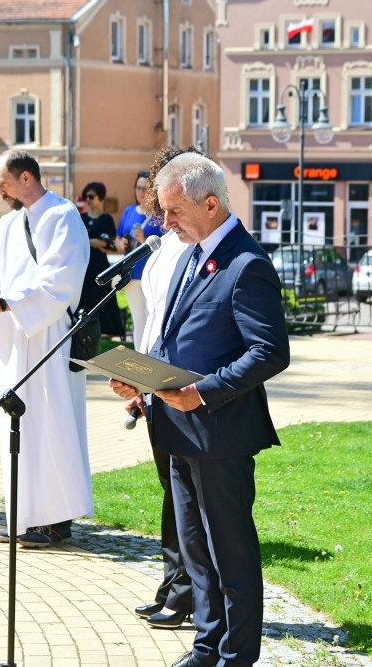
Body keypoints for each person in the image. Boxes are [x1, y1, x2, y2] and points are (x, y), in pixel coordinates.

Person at [109, 152, 290, 667]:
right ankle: (207, 647)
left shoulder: (245, 262)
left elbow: (269, 352)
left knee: (229, 549)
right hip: (177, 428)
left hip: (220, 432)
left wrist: (203, 392)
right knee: (196, 551)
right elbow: (172, 338)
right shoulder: (192, 252)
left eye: (172, 211)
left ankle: (237, 655)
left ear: (210, 204)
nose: (164, 223)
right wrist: (143, 384)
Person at [0, 149, 91, 547]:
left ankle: (56, 519)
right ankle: (26, 513)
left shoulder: (61, 216)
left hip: (47, 334)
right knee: (17, 422)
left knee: (49, 422)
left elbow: (58, 282)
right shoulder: (8, 225)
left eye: (3, 182)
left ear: (27, 178)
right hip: (13, 337)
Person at [132, 147, 195, 630]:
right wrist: (136, 377)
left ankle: (187, 593)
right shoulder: (161, 247)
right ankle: (173, 582)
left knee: (186, 501)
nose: (162, 208)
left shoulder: (196, 246)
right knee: (168, 494)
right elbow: (151, 322)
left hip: (185, 390)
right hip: (154, 385)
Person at [115, 171, 163, 347]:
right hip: (132, 273)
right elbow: (118, 238)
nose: (141, 192)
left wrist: (144, 241)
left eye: (145, 188)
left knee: (153, 317)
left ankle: (152, 356)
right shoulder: (128, 211)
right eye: (138, 188)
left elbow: (164, 245)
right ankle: (139, 359)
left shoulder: (160, 215)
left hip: (152, 274)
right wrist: (122, 243)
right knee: (138, 320)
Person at [79, 182, 124, 337]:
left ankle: (107, 329)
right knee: (84, 294)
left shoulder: (106, 219)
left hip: (99, 264)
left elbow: (106, 242)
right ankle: (83, 325)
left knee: (101, 294)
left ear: (100, 197)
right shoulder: (81, 217)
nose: (88, 200)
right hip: (83, 263)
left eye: (91, 196)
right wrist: (94, 242)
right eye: (86, 197)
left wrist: (86, 240)